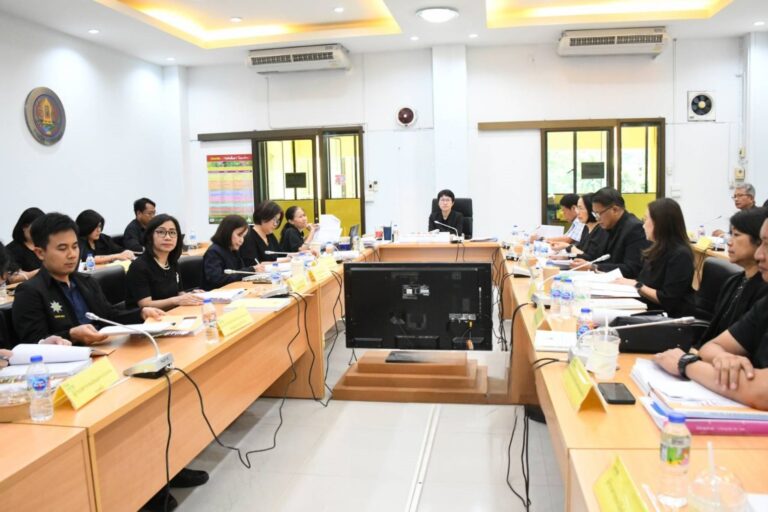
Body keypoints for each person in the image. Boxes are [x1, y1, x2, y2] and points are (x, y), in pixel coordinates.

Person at [654, 210, 768, 410]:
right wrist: (722, 357)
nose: (760, 254)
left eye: (766, 244)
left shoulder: (761, 290)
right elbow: (710, 347)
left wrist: (685, 364)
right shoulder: (741, 286)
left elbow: (761, 392)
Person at [11, 213, 165, 345]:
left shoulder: (86, 281)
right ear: (40, 253)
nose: (72, 255)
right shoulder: (29, 292)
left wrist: (141, 313)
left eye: (75, 246)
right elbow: (34, 342)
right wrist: (71, 335)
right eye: (62, 249)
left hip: (105, 348)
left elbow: (109, 316)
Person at [614, 198, 696, 317]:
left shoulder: (680, 255)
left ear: (660, 223)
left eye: (646, 219)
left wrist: (636, 285)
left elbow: (668, 299)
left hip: (665, 316)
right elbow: (645, 282)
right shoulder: (657, 249)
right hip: (646, 307)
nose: (643, 225)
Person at [698, 208, 768, 343]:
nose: (729, 242)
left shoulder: (763, 293)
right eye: (731, 234)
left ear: (759, 240)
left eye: (736, 235)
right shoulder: (734, 281)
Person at [125, 214, 203, 310]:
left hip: (171, 313)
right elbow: (145, 304)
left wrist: (192, 296)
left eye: (172, 232)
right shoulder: (139, 266)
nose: (168, 237)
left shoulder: (172, 262)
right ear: (150, 236)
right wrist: (176, 300)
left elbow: (179, 293)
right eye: (161, 232)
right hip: (148, 318)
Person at [570, 187, 650, 278]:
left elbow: (631, 269)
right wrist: (584, 262)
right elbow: (598, 257)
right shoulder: (607, 226)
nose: (597, 218)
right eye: (595, 214)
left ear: (615, 210)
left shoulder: (635, 229)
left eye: (599, 213)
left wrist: (593, 267)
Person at [202, 215, 264, 290]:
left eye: (243, 237)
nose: (242, 240)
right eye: (239, 235)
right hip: (218, 293)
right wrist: (251, 270)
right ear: (227, 232)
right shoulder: (214, 252)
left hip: (235, 290)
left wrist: (253, 271)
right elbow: (217, 280)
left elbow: (239, 271)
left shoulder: (233, 250)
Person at [550, 193, 608, 258]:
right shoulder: (586, 228)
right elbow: (580, 250)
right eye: (577, 208)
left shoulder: (601, 231)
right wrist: (564, 257)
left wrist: (567, 246)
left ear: (591, 209)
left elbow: (590, 258)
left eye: (581, 208)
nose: (577, 212)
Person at [240, 201, 288, 266]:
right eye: (274, 220)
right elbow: (254, 265)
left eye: (277, 221)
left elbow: (281, 254)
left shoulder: (270, 235)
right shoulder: (248, 236)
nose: (275, 224)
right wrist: (282, 261)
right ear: (263, 217)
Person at [6, 207, 45, 273]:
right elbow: (13, 276)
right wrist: (43, 272)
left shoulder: (46, 245)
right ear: (24, 227)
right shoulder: (12, 250)